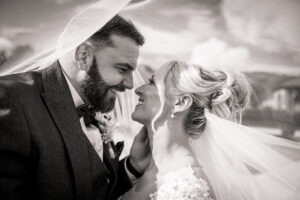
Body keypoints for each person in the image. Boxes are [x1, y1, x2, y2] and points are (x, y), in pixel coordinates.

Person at [0, 14, 152, 200]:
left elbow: (92, 190)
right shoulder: (10, 99)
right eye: (122, 69)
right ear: (84, 56)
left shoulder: (93, 104)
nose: (130, 84)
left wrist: (132, 166)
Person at [121, 60, 300, 200]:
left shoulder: (187, 188)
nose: (138, 89)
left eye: (153, 82)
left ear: (180, 103)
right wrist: (133, 167)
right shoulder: (149, 169)